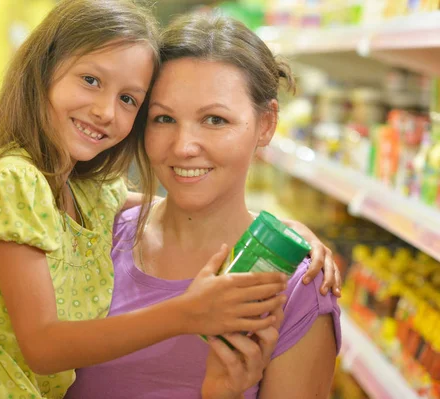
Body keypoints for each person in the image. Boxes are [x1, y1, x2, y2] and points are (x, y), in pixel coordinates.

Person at [0, 2, 322, 398]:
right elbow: (43, 347)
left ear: (266, 124)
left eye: (128, 99)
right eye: (164, 118)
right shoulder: (12, 178)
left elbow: (139, 199)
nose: (105, 111)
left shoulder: (85, 193)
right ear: (43, 70)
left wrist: (287, 231)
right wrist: (186, 312)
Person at [66, 12, 341, 399]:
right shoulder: (95, 234)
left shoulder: (296, 286)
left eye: (215, 119)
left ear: (266, 123)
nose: (183, 146)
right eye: (163, 118)